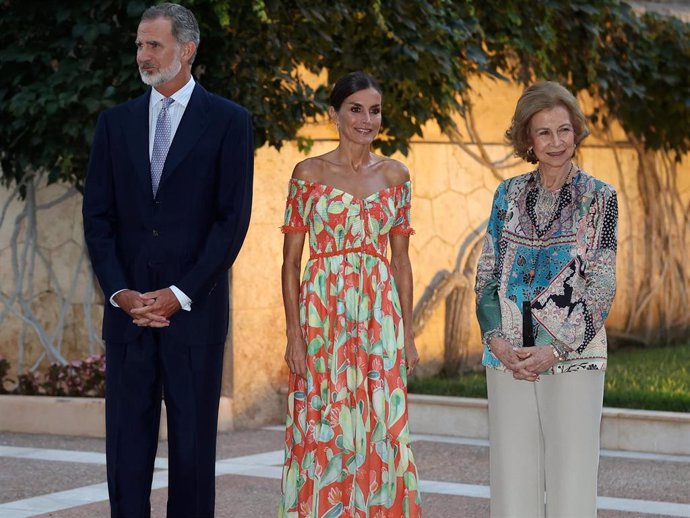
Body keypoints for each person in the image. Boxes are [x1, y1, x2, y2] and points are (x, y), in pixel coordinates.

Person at [82, 3, 253, 517]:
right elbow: (98, 219)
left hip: (193, 316)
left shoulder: (229, 122)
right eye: (139, 43)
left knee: (193, 455)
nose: (143, 54)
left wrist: (180, 295)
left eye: (153, 44)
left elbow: (231, 221)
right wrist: (120, 292)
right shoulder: (115, 124)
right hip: (128, 316)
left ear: (188, 49)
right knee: (126, 455)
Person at [278, 71, 422, 517]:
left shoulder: (396, 175)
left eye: (374, 110)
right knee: (323, 419)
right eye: (355, 109)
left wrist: (409, 334)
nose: (366, 119)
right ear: (335, 115)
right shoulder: (308, 173)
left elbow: (400, 262)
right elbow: (290, 263)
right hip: (323, 319)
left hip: (379, 317)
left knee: (380, 418)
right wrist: (294, 335)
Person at [474, 81, 618, 518]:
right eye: (543, 133)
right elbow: (487, 274)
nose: (556, 142)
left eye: (564, 130)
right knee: (511, 481)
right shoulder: (507, 195)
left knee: (572, 481)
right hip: (509, 358)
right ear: (527, 140)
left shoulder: (600, 198)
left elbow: (602, 282)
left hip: (573, 357)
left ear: (576, 132)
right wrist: (497, 343)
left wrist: (556, 349)